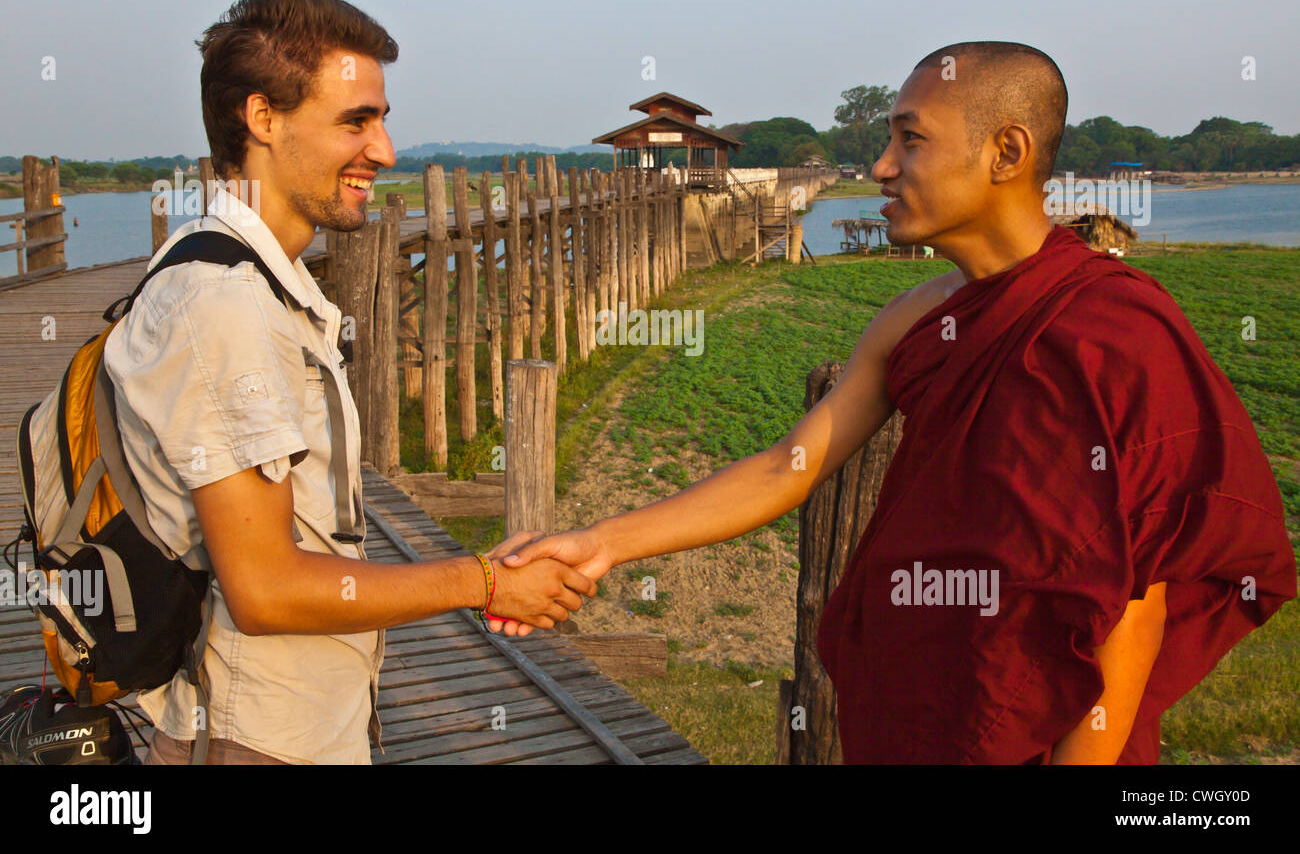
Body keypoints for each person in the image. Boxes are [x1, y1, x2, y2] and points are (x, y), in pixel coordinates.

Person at [489, 42, 1297, 764]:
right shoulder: (915, 318)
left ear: (1005, 151)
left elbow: (1134, 595)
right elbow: (785, 470)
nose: (880, 166)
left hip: (1058, 725)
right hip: (928, 701)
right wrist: (601, 542)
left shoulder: (1113, 328)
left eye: (910, 140)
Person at [103, 0, 594, 765]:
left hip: (304, 715)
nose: (388, 150)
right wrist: (483, 583)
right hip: (254, 732)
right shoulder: (224, 305)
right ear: (262, 119)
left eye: (382, 118)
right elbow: (264, 591)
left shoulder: (250, 277)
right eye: (356, 121)